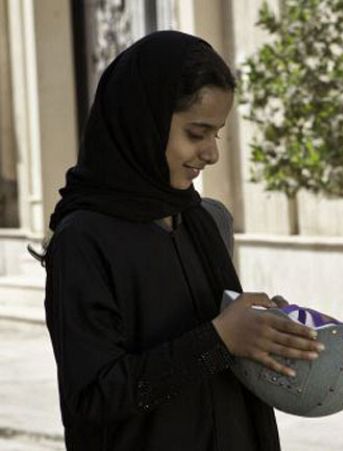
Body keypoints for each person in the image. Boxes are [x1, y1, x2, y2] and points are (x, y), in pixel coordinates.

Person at [43, 31, 324, 450]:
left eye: (217, 134)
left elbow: (222, 344)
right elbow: (93, 396)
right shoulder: (84, 240)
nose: (211, 153)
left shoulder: (198, 221)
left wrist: (262, 331)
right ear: (144, 122)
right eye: (197, 133)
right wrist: (220, 339)